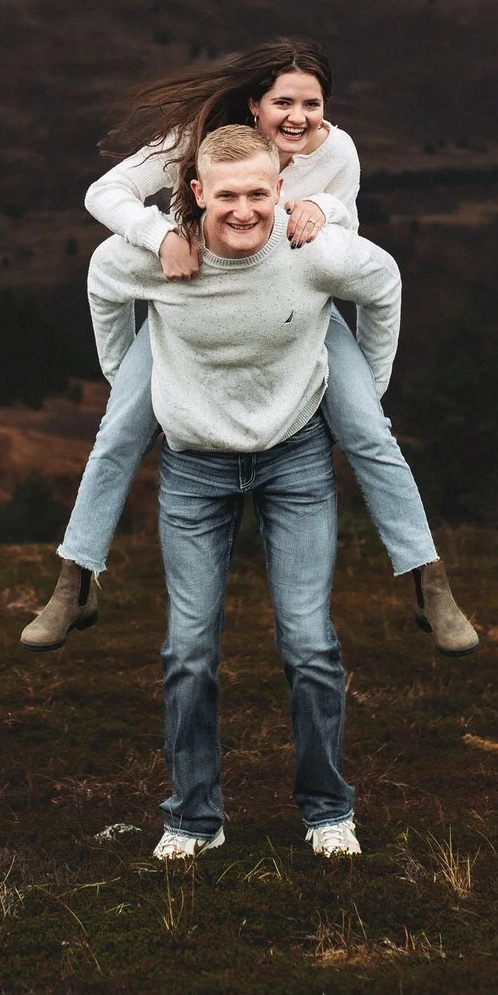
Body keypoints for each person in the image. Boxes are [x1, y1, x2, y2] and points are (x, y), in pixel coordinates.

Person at [20, 39, 476, 655]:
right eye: (283, 101)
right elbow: (104, 194)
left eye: (312, 103)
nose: (298, 117)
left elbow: (346, 251)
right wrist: (160, 237)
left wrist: (323, 210)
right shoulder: (204, 141)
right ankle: (75, 582)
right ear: (255, 105)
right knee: (119, 429)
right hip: (191, 305)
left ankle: (428, 580)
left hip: (293, 311)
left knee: (370, 429)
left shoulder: (337, 150)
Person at [87, 124, 399, 859]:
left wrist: (367, 390)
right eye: (227, 194)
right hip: (195, 469)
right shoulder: (160, 252)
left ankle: (328, 810)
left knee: (310, 643)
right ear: (196, 195)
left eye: (259, 193)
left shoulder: (311, 250)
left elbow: (382, 284)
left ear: (280, 191)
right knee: (189, 650)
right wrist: (126, 378)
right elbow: (104, 285)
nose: (244, 208)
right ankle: (194, 817)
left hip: (294, 462)